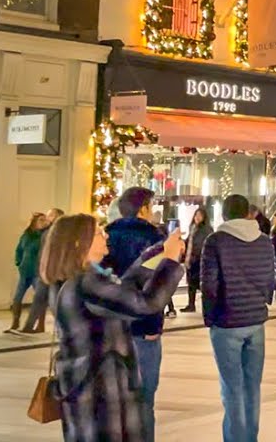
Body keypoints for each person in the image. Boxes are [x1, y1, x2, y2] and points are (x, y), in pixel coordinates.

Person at [41, 213, 184, 442]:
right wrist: (170, 263)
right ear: (80, 243)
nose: (105, 235)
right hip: (101, 396)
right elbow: (145, 303)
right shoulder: (87, 284)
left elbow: (126, 288)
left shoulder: (80, 280)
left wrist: (157, 254)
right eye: (98, 233)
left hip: (90, 390)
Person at [201, 194, 275, 442]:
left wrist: (210, 317)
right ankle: (250, 437)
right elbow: (269, 278)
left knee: (232, 388)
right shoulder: (264, 241)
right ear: (248, 213)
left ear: (223, 214)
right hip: (256, 320)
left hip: (227, 321)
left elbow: (209, 284)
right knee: (252, 386)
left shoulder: (216, 241)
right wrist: (264, 301)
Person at [103, 187, 169, 441]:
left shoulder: (106, 236)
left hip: (111, 328)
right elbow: (156, 288)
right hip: (143, 329)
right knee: (143, 400)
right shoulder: (155, 239)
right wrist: (153, 326)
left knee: (114, 401)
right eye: (151, 207)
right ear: (143, 209)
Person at [22, 208, 64, 334]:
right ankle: (28, 327)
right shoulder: (46, 231)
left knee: (53, 302)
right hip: (43, 270)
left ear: (57, 216)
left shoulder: (60, 232)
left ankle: (63, 329)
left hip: (53, 272)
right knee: (39, 299)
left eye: (50, 215)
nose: (47, 216)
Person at [8, 212, 48, 333]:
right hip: (25, 272)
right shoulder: (26, 235)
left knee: (40, 299)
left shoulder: (44, 236)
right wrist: (18, 262)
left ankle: (40, 325)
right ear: (34, 221)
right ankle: (15, 323)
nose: (44, 222)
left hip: (37, 273)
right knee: (17, 298)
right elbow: (19, 249)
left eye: (44, 220)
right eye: (41, 220)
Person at [181, 207, 212, 313]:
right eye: (196, 215)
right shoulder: (193, 228)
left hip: (199, 260)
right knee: (191, 284)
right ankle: (191, 305)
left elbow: (200, 245)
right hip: (191, 259)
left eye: (200, 215)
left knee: (200, 285)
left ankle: (207, 306)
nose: (197, 217)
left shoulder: (206, 230)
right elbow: (189, 242)